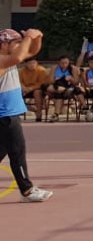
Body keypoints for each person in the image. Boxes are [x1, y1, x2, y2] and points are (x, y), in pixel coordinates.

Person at [0, 28, 54, 201]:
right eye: (15, 43)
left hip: (8, 113)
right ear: (4, 45)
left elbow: (31, 51)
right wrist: (28, 37)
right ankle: (27, 190)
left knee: (2, 150)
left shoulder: (10, 58)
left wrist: (37, 37)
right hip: (4, 114)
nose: (19, 46)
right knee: (17, 151)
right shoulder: (2, 59)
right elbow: (18, 57)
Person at [45, 56, 79, 121]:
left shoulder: (73, 69)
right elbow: (49, 81)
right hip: (56, 86)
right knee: (50, 88)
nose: (64, 65)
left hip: (68, 87)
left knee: (59, 93)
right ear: (59, 63)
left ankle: (56, 114)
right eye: (62, 63)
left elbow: (76, 82)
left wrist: (71, 79)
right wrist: (56, 79)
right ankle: (56, 114)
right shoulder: (54, 68)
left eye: (66, 63)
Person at [19, 57, 49, 122]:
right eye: (30, 63)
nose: (32, 65)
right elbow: (19, 81)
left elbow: (42, 83)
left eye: (34, 63)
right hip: (25, 89)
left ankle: (38, 113)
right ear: (26, 64)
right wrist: (23, 87)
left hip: (37, 89)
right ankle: (17, 112)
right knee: (15, 93)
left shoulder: (41, 70)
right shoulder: (22, 71)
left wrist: (31, 88)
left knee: (37, 92)